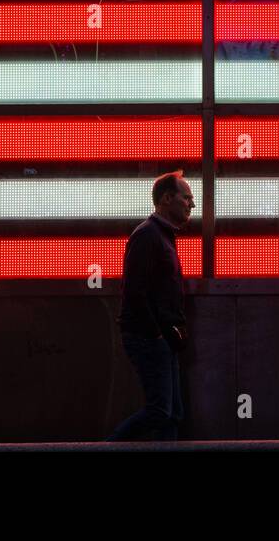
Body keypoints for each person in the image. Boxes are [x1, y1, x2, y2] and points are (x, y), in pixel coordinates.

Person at [108, 170, 194, 441]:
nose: (191, 204)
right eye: (187, 197)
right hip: (150, 338)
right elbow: (135, 291)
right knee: (160, 411)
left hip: (159, 338)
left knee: (172, 414)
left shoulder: (161, 235)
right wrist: (157, 334)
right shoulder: (148, 236)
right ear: (167, 198)